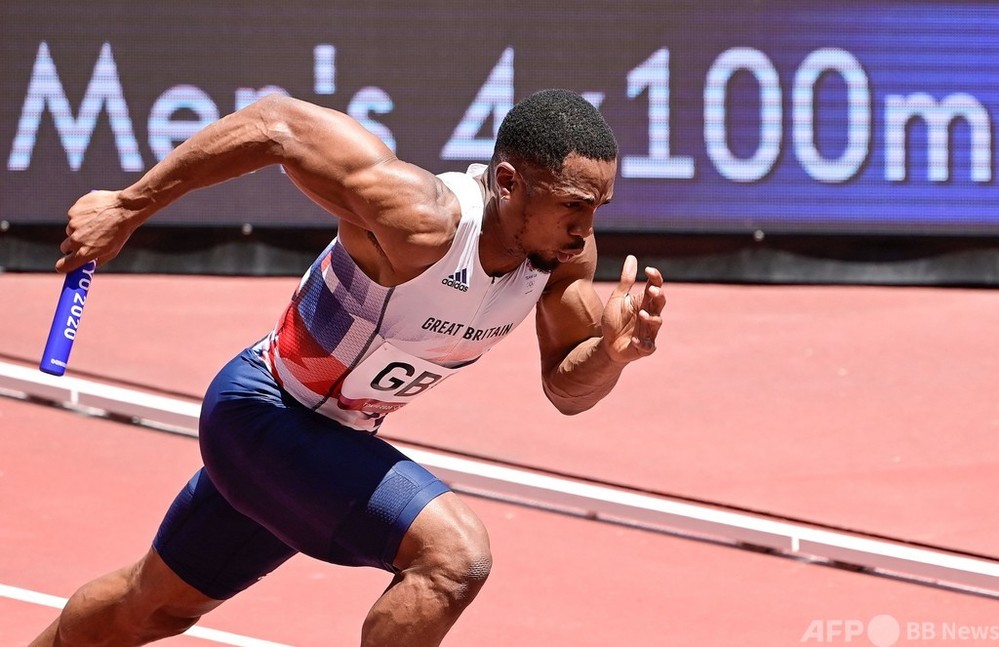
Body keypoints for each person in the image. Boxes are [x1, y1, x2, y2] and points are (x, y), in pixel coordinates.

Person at [32, 88, 665, 646]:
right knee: (454, 556)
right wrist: (128, 206)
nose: (586, 229)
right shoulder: (421, 219)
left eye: (599, 207)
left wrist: (611, 355)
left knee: (147, 609)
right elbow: (276, 123)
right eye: (574, 205)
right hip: (261, 412)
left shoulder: (561, 257)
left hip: (324, 446)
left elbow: (567, 390)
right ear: (507, 182)